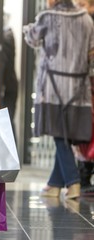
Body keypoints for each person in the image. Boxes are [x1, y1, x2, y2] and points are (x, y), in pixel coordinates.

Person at [23, 0, 94, 199]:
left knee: (58, 132)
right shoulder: (86, 19)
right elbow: (91, 52)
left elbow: (33, 39)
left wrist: (28, 28)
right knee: (65, 134)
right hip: (79, 87)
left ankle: (73, 181)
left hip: (52, 86)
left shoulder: (47, 17)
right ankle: (54, 184)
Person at [74, 0, 94, 195]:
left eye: (82, 3)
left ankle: (83, 177)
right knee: (85, 132)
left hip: (88, 85)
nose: (79, 7)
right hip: (84, 87)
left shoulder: (87, 23)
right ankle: (82, 177)